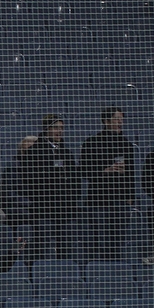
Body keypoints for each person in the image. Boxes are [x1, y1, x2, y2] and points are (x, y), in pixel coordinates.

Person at [80, 106, 137, 260]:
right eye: (116, 119)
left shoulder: (126, 144)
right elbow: (84, 171)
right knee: (98, 240)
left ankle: (116, 268)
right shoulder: (92, 143)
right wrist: (105, 171)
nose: (120, 122)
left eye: (121, 119)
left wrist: (131, 195)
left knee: (118, 240)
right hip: (98, 200)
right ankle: (97, 270)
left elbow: (131, 174)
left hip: (120, 200)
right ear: (106, 121)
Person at [25, 115, 79, 261]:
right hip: (43, 209)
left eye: (61, 128)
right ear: (47, 129)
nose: (59, 131)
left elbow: (75, 180)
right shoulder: (34, 152)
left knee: (66, 248)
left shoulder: (66, 153)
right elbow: (29, 181)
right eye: (56, 127)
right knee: (43, 246)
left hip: (65, 209)